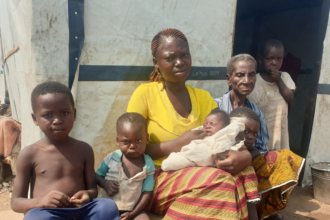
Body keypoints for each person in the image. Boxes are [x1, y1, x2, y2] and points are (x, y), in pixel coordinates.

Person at [116, 28, 255, 219]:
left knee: (253, 169)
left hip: (201, 171)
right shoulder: (145, 94)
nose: (180, 62)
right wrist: (177, 143)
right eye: (170, 58)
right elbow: (130, 148)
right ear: (156, 63)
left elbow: (227, 136)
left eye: (184, 55)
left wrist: (244, 157)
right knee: (221, 181)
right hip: (158, 178)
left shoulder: (204, 98)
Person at [11, 81, 119, 220]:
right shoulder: (29, 154)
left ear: (74, 114)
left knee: (107, 207)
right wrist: (42, 201)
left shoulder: (84, 150)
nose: (57, 120)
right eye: (48, 115)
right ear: (35, 119)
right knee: (36, 218)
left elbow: (92, 189)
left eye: (64, 113)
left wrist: (87, 194)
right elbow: (16, 202)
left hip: (82, 211)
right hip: (48, 212)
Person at [215, 54, 305, 220]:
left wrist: (245, 155)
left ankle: (262, 211)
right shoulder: (217, 107)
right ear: (229, 79)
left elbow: (262, 150)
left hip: (248, 163)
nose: (248, 80)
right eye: (240, 75)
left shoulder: (256, 113)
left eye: (251, 75)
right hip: (219, 164)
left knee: (280, 159)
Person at [96, 112, 156, 220]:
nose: (132, 146)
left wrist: (133, 213)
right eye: (126, 141)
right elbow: (96, 176)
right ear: (118, 141)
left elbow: (147, 192)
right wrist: (105, 183)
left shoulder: (148, 164)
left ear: (146, 139)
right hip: (106, 208)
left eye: (138, 140)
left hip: (132, 210)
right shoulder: (111, 158)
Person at [248, 39, 295, 151]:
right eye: (270, 58)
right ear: (260, 60)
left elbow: (290, 98)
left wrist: (278, 79)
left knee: (278, 156)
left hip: (279, 130)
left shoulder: (285, 77)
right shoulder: (255, 80)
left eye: (279, 59)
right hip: (260, 130)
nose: (274, 62)